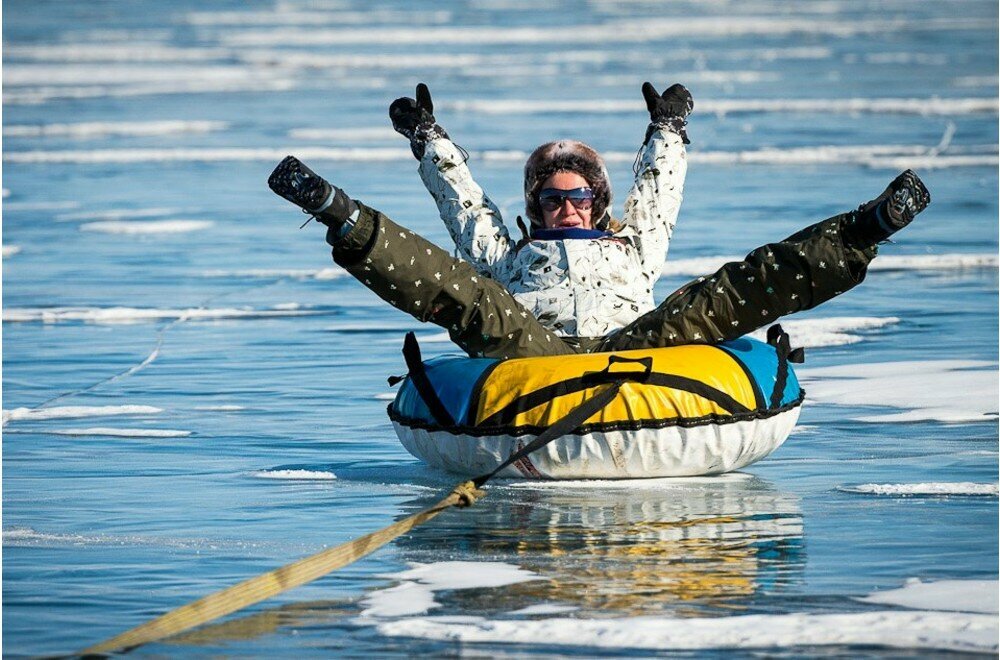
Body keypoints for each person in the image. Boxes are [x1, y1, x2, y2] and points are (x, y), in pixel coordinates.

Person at [268, 82, 929, 360]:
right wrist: (429, 141)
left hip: (633, 349)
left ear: (596, 202)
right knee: (473, 301)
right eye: (553, 199)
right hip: (536, 352)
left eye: (579, 197)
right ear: (537, 207)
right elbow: (465, 205)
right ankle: (337, 210)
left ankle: (865, 228)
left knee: (710, 300)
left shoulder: (629, 249)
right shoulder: (510, 256)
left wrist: (668, 129)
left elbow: (658, 192)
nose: (567, 207)